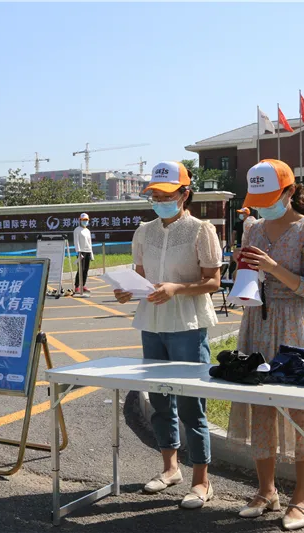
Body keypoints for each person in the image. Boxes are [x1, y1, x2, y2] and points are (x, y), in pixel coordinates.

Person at [228, 160, 304, 531]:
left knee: (301, 411)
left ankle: (302, 498)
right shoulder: (253, 229)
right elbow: (249, 281)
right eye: (257, 198)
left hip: (296, 327)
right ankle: (266, 491)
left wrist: (273, 267)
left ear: (290, 192)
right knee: (261, 408)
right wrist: (241, 268)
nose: (262, 205)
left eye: (270, 196)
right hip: (257, 324)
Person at [114, 161, 222, 509]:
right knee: (160, 400)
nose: (158, 200)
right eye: (153, 195)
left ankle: (202, 480)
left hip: (187, 325)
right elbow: (141, 276)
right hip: (152, 322)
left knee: (192, 402)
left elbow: (213, 281)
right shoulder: (143, 232)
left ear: (184, 194)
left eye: (165, 195)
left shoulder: (200, 230)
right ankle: (170, 468)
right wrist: (127, 291)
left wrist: (177, 287)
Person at [72, 213, 94, 294]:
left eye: (86, 220)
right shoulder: (77, 230)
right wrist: (78, 252)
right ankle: (77, 286)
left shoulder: (87, 231)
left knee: (86, 270)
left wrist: (91, 253)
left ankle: (83, 285)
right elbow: (76, 242)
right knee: (81, 269)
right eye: (83, 220)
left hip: (88, 251)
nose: (85, 222)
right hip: (81, 251)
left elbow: (89, 242)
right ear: (80, 220)